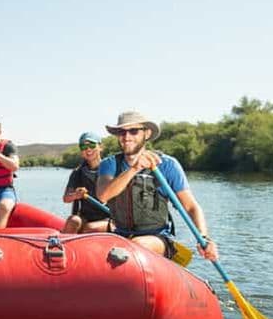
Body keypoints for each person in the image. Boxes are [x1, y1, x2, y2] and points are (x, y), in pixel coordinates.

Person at [96, 111, 219, 261]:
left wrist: (204, 237)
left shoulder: (167, 165)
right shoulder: (109, 165)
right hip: (120, 235)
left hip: (157, 238)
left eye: (133, 131)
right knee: (118, 249)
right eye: (121, 132)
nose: (127, 137)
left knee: (135, 245)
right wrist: (134, 169)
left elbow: (190, 206)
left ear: (146, 134)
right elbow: (103, 195)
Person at [61, 131, 111, 233]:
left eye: (92, 145)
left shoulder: (111, 169)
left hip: (109, 218)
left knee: (90, 228)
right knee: (73, 221)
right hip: (86, 218)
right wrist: (76, 195)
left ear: (100, 147)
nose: (88, 149)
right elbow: (66, 198)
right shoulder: (77, 172)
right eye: (83, 147)